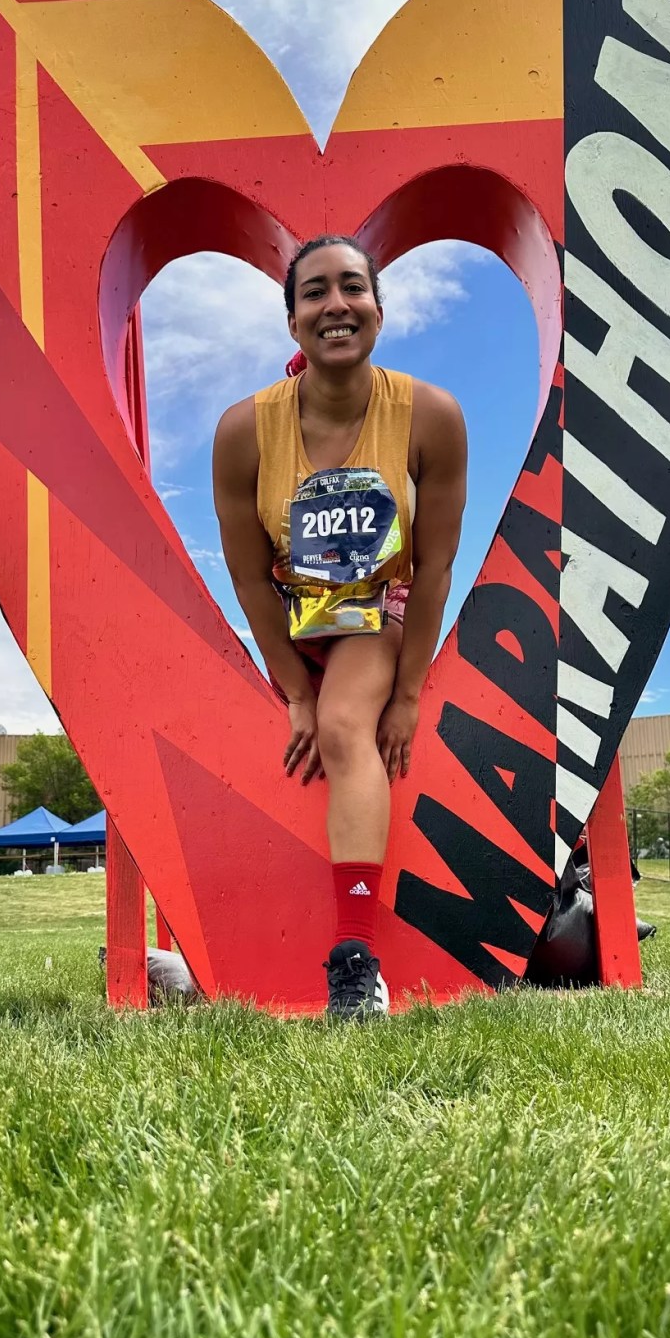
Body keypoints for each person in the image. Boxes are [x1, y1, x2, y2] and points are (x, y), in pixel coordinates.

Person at [213, 235, 468, 1017]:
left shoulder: (430, 416)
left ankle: (356, 958)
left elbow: (434, 571)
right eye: (315, 292)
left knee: (346, 726)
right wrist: (290, 687)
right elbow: (252, 579)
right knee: (289, 726)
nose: (336, 305)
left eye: (352, 287)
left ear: (380, 311)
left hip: (377, 614)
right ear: (292, 323)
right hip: (294, 619)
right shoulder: (241, 431)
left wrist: (411, 695)